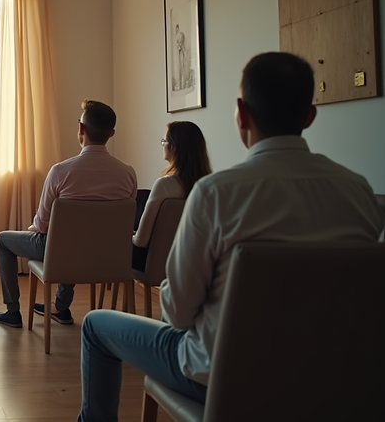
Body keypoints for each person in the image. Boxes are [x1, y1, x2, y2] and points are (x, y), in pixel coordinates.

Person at [76, 52, 385, 422]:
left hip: (220, 376)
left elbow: (176, 312)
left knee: (95, 324)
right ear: (310, 116)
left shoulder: (217, 193)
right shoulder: (359, 193)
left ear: (241, 112)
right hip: (331, 380)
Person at [0, 100, 137, 329]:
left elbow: (42, 225)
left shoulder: (61, 171)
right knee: (75, 235)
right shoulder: (128, 174)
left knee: (4, 240)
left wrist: (34, 228)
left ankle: (12, 312)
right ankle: (61, 308)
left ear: (81, 129)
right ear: (111, 133)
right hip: (108, 256)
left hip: (64, 252)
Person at [132, 121, 212, 272]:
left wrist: (130, 237)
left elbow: (142, 241)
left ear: (173, 146)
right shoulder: (210, 186)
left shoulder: (164, 185)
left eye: (164, 141)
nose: (162, 145)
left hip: (156, 263)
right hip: (193, 264)